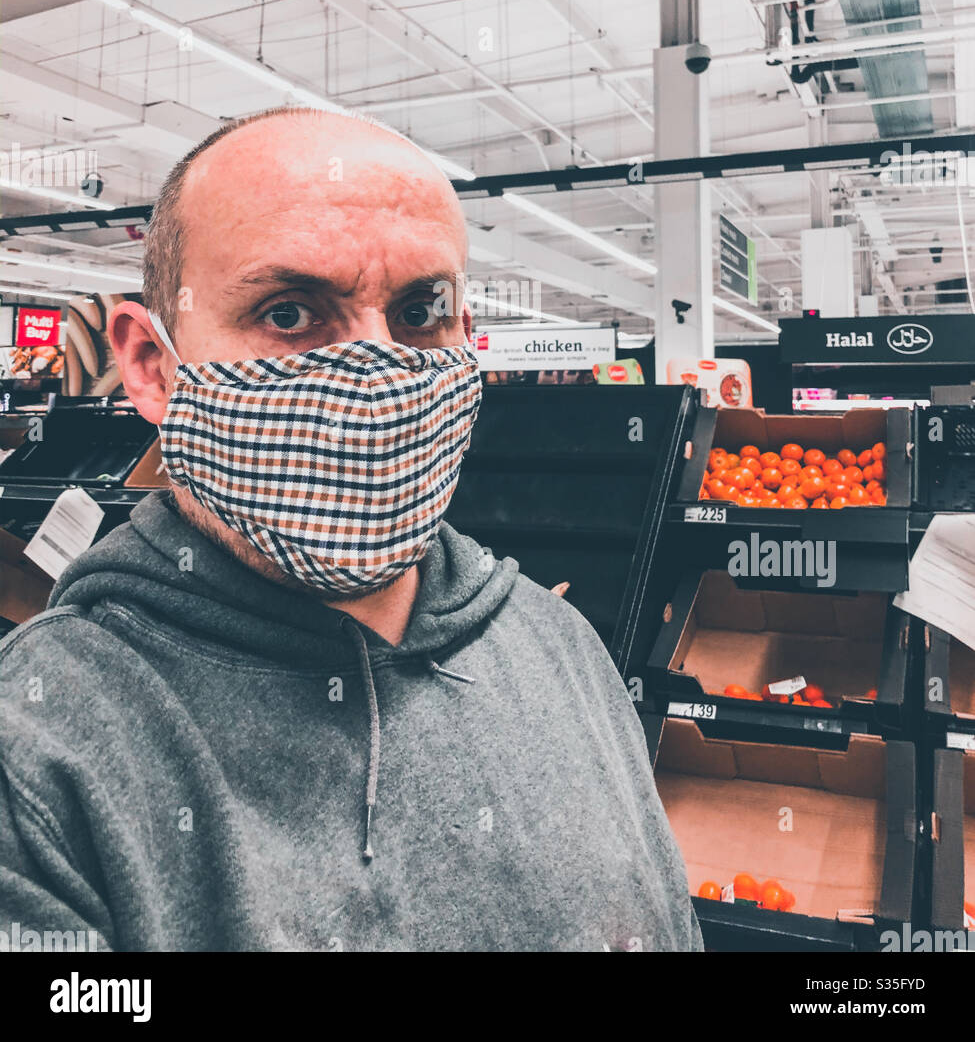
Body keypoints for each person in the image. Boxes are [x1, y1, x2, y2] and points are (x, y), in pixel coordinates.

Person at [0, 107, 703, 952]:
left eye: (418, 314)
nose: (378, 372)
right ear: (153, 367)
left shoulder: (562, 649)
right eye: (290, 312)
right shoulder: (36, 751)